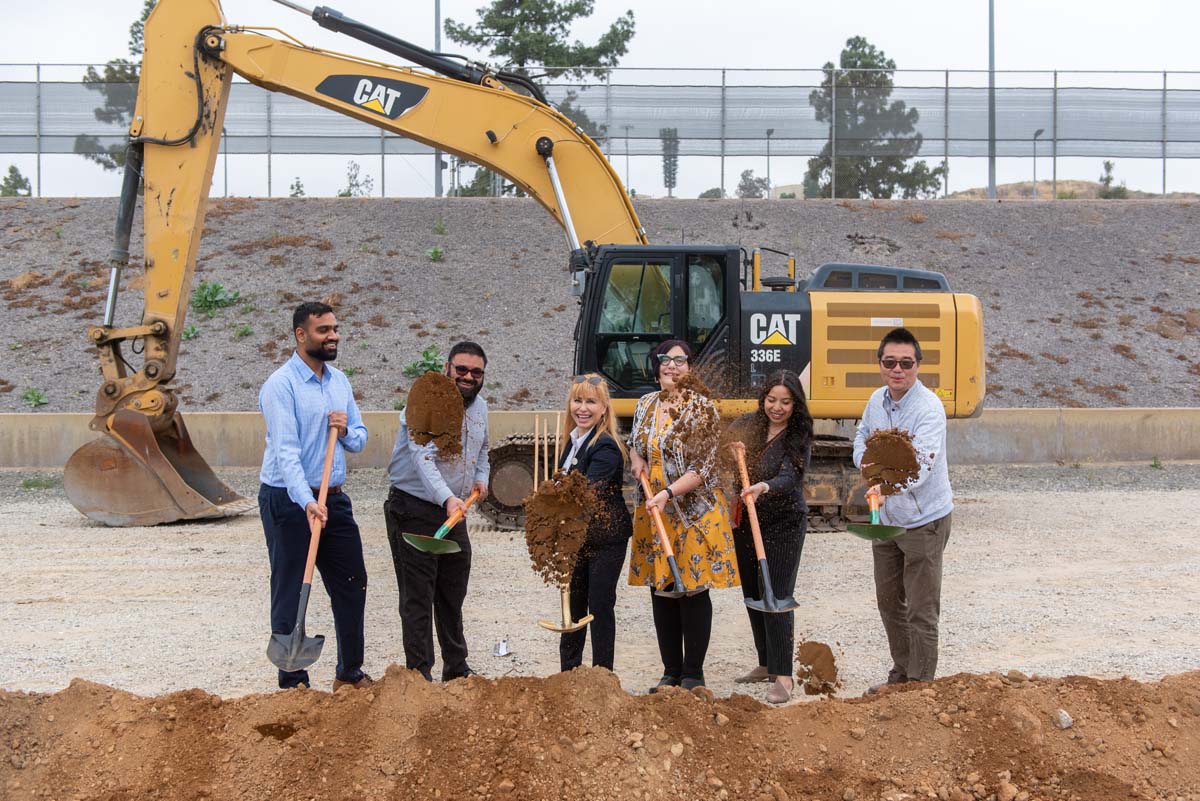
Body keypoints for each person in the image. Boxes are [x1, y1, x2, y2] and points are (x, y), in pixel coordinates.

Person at [258, 301, 372, 692]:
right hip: (289, 500)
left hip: (334, 497)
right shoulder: (281, 386)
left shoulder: (339, 382)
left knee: (352, 581)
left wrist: (345, 430)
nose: (333, 335)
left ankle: (350, 673)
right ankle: (293, 681)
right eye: (324, 330)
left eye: (335, 329)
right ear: (301, 335)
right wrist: (306, 501)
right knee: (290, 584)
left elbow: (359, 437)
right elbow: (285, 453)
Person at [628, 339, 738, 692]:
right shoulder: (646, 404)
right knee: (662, 588)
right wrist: (636, 460)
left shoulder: (702, 408)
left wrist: (666, 493)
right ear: (656, 364)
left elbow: (703, 468)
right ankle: (670, 671)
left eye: (680, 360)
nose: (671, 366)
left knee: (691, 590)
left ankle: (693, 673)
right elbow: (636, 443)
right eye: (665, 359)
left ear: (690, 367)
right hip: (654, 510)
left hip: (692, 513)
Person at [853, 327, 953, 692]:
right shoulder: (876, 401)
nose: (898, 369)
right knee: (889, 601)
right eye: (890, 362)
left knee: (921, 608)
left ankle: (920, 684)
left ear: (917, 365)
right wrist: (868, 470)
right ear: (880, 364)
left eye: (906, 363)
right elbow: (861, 439)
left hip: (924, 521)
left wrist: (882, 483)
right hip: (888, 519)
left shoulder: (929, 409)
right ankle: (902, 671)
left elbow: (921, 467)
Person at [384, 341, 490, 682]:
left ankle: (457, 669)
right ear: (447, 367)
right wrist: (447, 498)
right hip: (414, 508)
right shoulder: (424, 403)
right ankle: (419, 676)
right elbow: (422, 457)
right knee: (418, 596)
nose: (468, 377)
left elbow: (483, 449)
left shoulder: (481, 408)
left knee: (452, 591)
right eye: (461, 369)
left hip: (453, 511)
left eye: (476, 372)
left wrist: (480, 478)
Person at [725, 369, 813, 704]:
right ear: (763, 399)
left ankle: (784, 676)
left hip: (783, 524)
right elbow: (722, 449)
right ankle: (765, 662)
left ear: (795, 404)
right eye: (771, 400)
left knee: (776, 596)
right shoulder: (747, 424)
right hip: (746, 521)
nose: (777, 407)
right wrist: (730, 452)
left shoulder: (799, 434)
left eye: (785, 402)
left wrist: (763, 486)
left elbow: (790, 477)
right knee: (753, 592)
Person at [556, 373, 633, 673]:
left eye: (591, 401)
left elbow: (587, 489)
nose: (582, 408)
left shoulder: (606, 447)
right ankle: (569, 674)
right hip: (577, 537)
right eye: (577, 400)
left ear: (604, 408)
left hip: (606, 538)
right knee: (572, 605)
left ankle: (602, 675)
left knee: (599, 606)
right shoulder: (573, 442)